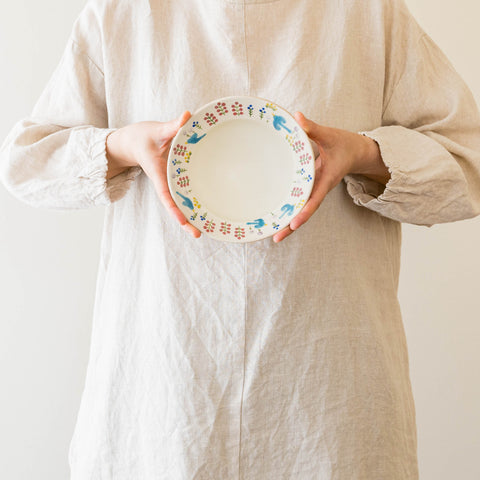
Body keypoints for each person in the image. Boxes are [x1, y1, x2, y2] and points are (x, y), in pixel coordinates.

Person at [1, 0, 480, 478]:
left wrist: (364, 152)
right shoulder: (123, 15)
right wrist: (122, 145)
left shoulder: (371, 17)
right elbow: (27, 164)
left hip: (329, 387)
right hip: (167, 380)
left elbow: (466, 165)